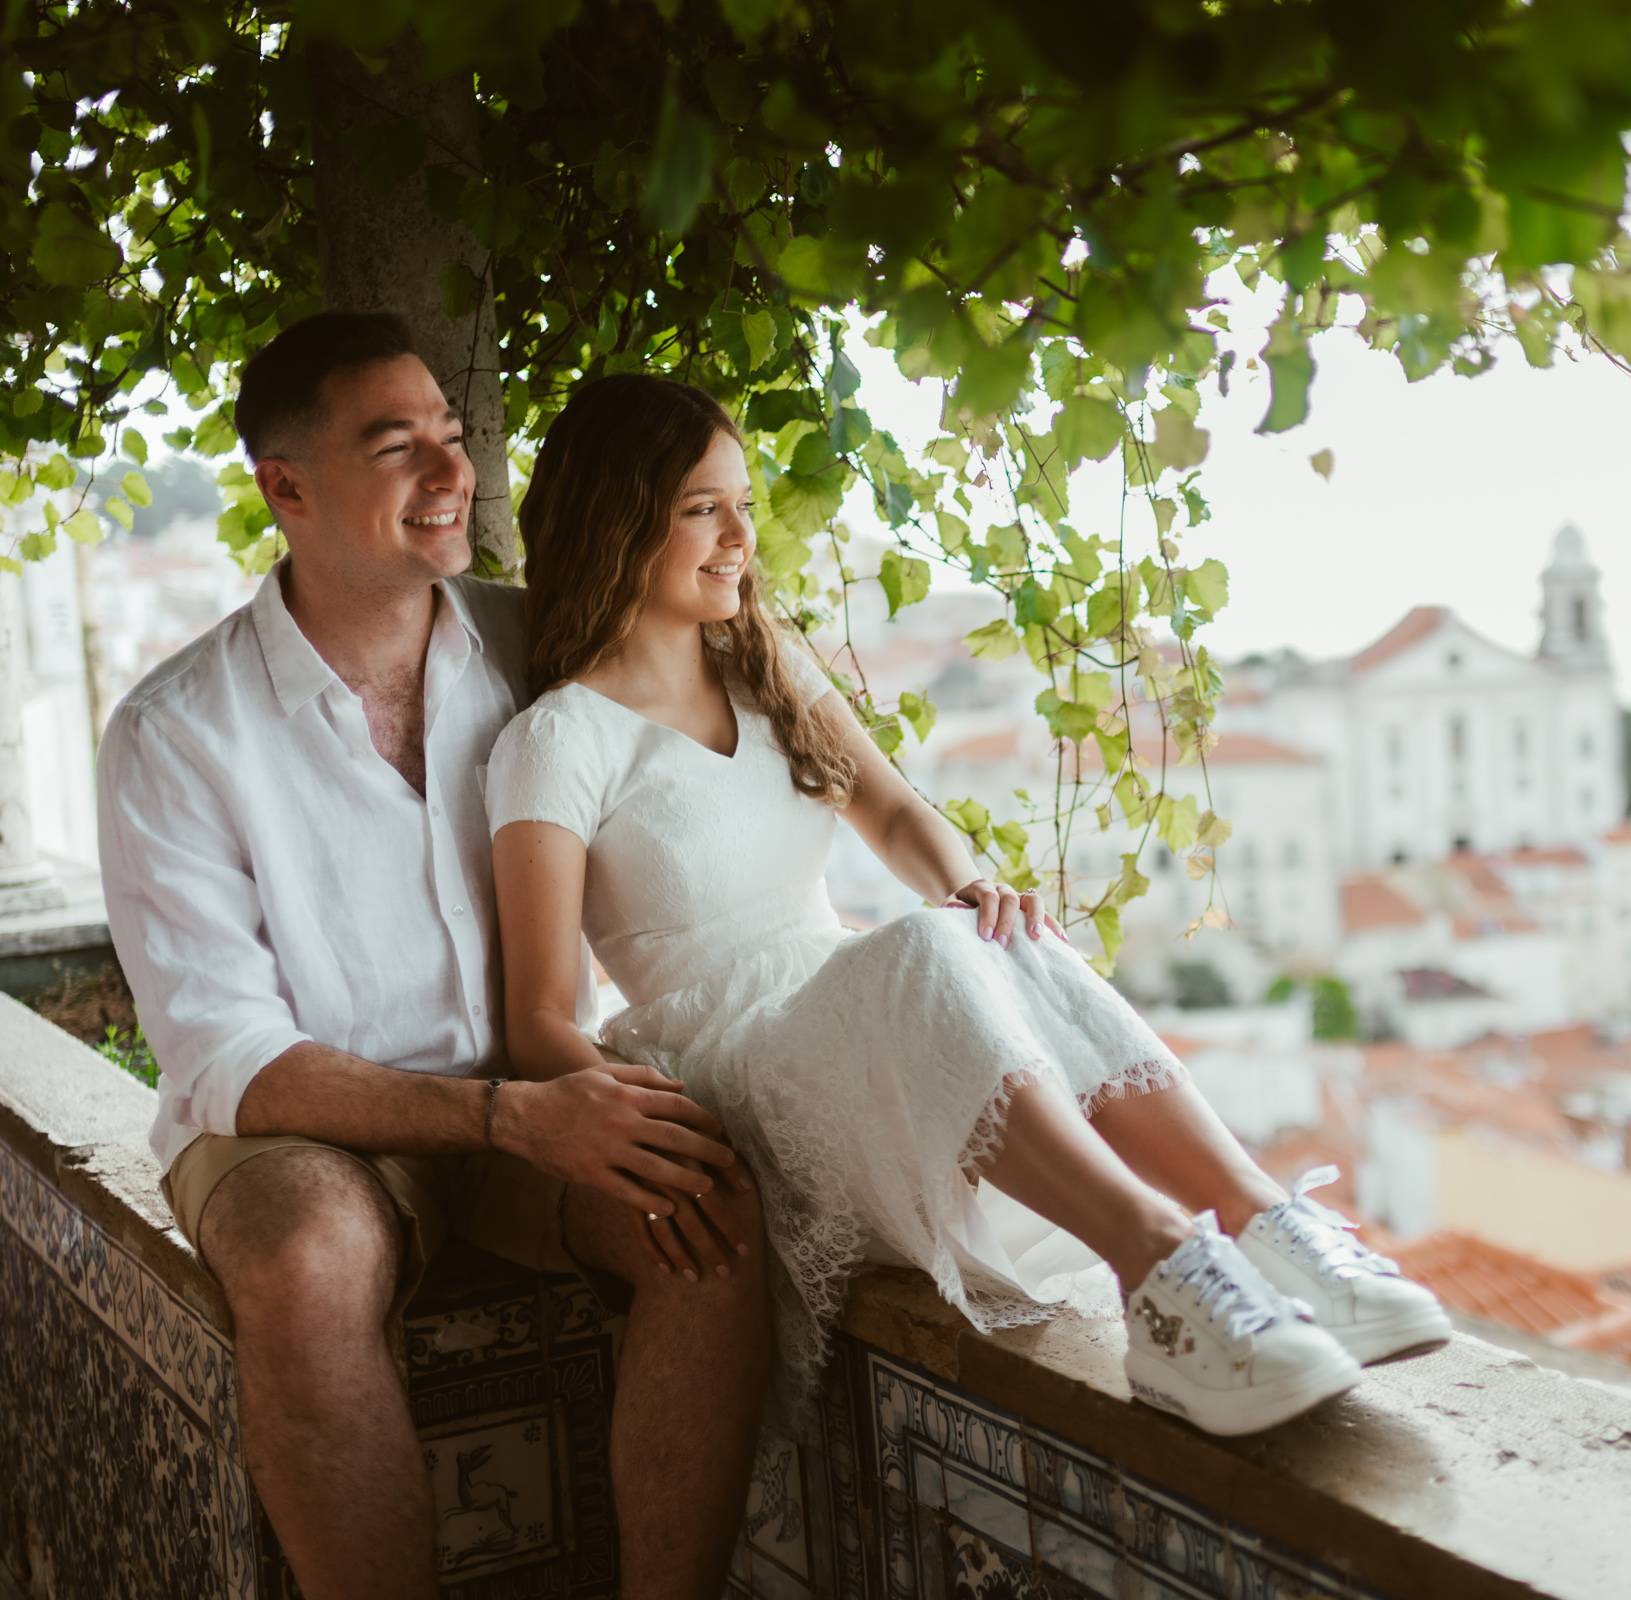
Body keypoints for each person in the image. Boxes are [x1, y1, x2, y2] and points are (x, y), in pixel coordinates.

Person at [485, 373, 1453, 1438]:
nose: (739, 538)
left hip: (839, 1009)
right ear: (618, 520)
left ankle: (1260, 1217)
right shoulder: (556, 741)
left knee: (997, 931)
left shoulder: (766, 665)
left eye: (744, 505)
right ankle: (1161, 1268)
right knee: (920, 948)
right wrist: (653, 1141)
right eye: (701, 509)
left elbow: (896, 811)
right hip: (730, 1073)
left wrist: (970, 888)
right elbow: (538, 1016)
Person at [96, 315, 774, 1600]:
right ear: (286, 486)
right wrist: (511, 1116)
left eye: (450, 436)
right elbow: (232, 1057)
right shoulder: (175, 732)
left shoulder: (540, 643)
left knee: (708, 1213)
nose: (451, 472)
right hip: (306, 1127)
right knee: (302, 1258)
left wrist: (938, 868)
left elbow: (753, 704)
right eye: (395, 445)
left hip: (528, 1090)